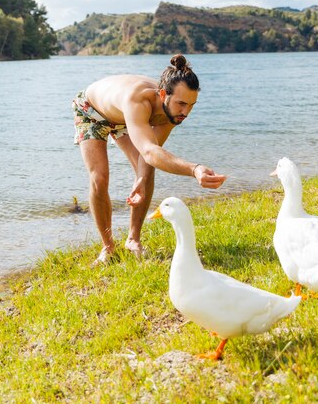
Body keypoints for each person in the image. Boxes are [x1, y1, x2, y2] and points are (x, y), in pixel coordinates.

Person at [72, 54, 227, 264]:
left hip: (127, 120)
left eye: (191, 105)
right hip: (92, 111)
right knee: (99, 177)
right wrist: (194, 169)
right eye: (181, 104)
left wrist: (141, 180)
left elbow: (152, 154)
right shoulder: (138, 100)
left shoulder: (172, 113)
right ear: (163, 94)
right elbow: (149, 152)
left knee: (147, 171)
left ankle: (133, 240)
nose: (186, 112)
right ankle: (108, 248)